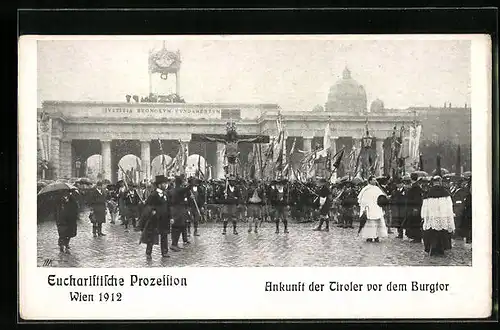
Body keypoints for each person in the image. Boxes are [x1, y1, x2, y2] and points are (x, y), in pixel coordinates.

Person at [421, 176, 455, 256]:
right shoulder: (446, 193)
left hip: (432, 217)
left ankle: (433, 249)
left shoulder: (428, 193)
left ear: (433, 182)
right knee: (442, 234)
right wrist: (449, 216)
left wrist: (424, 216)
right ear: (440, 182)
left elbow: (425, 207)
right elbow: (449, 207)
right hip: (443, 217)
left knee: (432, 234)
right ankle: (441, 249)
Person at [139, 175, 171, 258]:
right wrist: (152, 211)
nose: (165, 185)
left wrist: (170, 217)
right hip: (155, 219)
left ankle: (164, 252)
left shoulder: (165, 194)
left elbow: (168, 206)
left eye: (166, 183)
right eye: (164, 183)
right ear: (159, 185)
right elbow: (147, 206)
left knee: (164, 235)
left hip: (164, 219)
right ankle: (148, 252)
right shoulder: (153, 195)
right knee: (151, 236)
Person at [357, 176, 388, 242]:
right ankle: (369, 236)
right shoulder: (365, 189)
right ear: (370, 181)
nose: (375, 181)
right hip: (369, 209)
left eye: (375, 180)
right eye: (373, 180)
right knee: (369, 223)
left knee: (377, 223)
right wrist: (365, 207)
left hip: (377, 208)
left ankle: (376, 236)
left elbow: (382, 198)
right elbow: (362, 200)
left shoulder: (378, 189)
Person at [169, 176, 192, 251]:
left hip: (174, 210)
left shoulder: (172, 190)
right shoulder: (179, 190)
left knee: (176, 227)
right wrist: (190, 183)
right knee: (177, 228)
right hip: (178, 210)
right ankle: (174, 244)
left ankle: (175, 244)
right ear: (180, 182)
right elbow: (187, 189)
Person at [403, 173, 424, 243]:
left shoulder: (416, 187)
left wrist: (415, 208)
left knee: (415, 222)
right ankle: (415, 237)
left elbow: (417, 199)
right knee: (414, 222)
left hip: (414, 207)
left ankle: (417, 237)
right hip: (413, 207)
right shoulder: (415, 186)